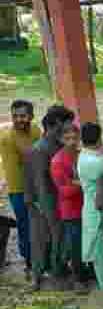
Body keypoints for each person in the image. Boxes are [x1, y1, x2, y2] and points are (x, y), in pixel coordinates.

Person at [26, 105, 75, 290]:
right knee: (42, 239)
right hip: (43, 202)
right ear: (55, 124)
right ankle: (39, 276)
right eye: (66, 125)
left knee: (59, 238)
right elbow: (40, 183)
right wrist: (44, 207)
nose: (69, 129)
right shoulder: (39, 150)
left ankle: (58, 270)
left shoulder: (58, 145)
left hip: (58, 200)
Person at [0, 100, 40, 277]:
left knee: (39, 225)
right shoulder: (7, 139)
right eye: (15, 116)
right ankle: (29, 262)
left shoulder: (36, 130)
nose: (19, 120)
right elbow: (24, 164)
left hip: (37, 184)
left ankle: (41, 258)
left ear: (31, 116)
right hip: (19, 189)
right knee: (25, 226)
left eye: (23, 116)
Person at [50, 121, 90, 293]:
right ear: (60, 139)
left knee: (86, 242)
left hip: (86, 206)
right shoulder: (58, 161)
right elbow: (64, 191)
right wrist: (82, 183)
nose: (72, 141)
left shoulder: (81, 155)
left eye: (75, 137)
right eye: (68, 138)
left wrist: (76, 182)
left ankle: (87, 273)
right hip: (70, 210)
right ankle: (78, 280)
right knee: (74, 246)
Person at [77, 123, 103, 295]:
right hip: (96, 210)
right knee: (100, 251)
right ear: (99, 138)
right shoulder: (94, 162)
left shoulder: (87, 155)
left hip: (96, 208)